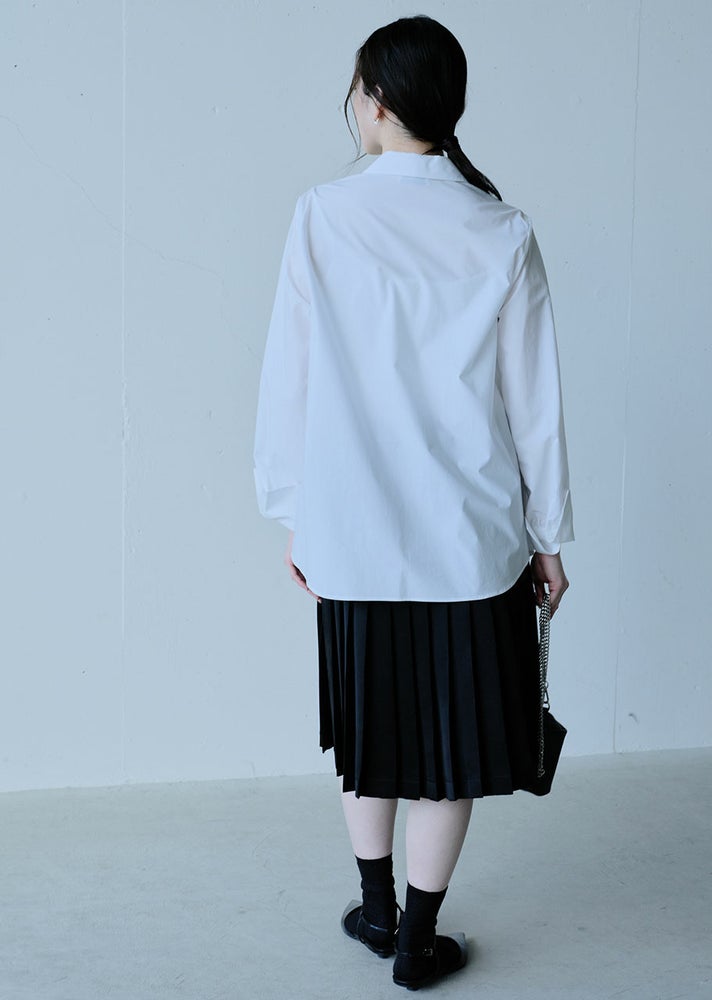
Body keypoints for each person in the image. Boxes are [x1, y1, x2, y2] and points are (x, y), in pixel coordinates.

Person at [253, 14, 574, 991]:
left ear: (379, 100)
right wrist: (547, 536)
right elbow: (535, 403)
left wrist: (293, 509)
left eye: (357, 89)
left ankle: (376, 907)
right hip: (471, 540)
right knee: (451, 747)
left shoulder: (323, 214)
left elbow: (289, 376)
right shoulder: (502, 228)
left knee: (371, 730)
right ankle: (418, 939)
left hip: (351, 530)